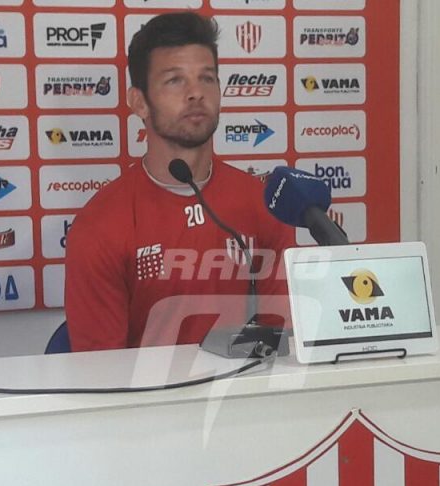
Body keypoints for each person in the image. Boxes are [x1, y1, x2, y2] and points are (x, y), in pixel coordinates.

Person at [63, 11, 295, 352]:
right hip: (146, 388)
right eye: (175, 80)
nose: (196, 93)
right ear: (139, 102)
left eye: (207, 78)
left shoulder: (262, 204)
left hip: (245, 386)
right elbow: (99, 371)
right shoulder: (100, 226)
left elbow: (284, 342)